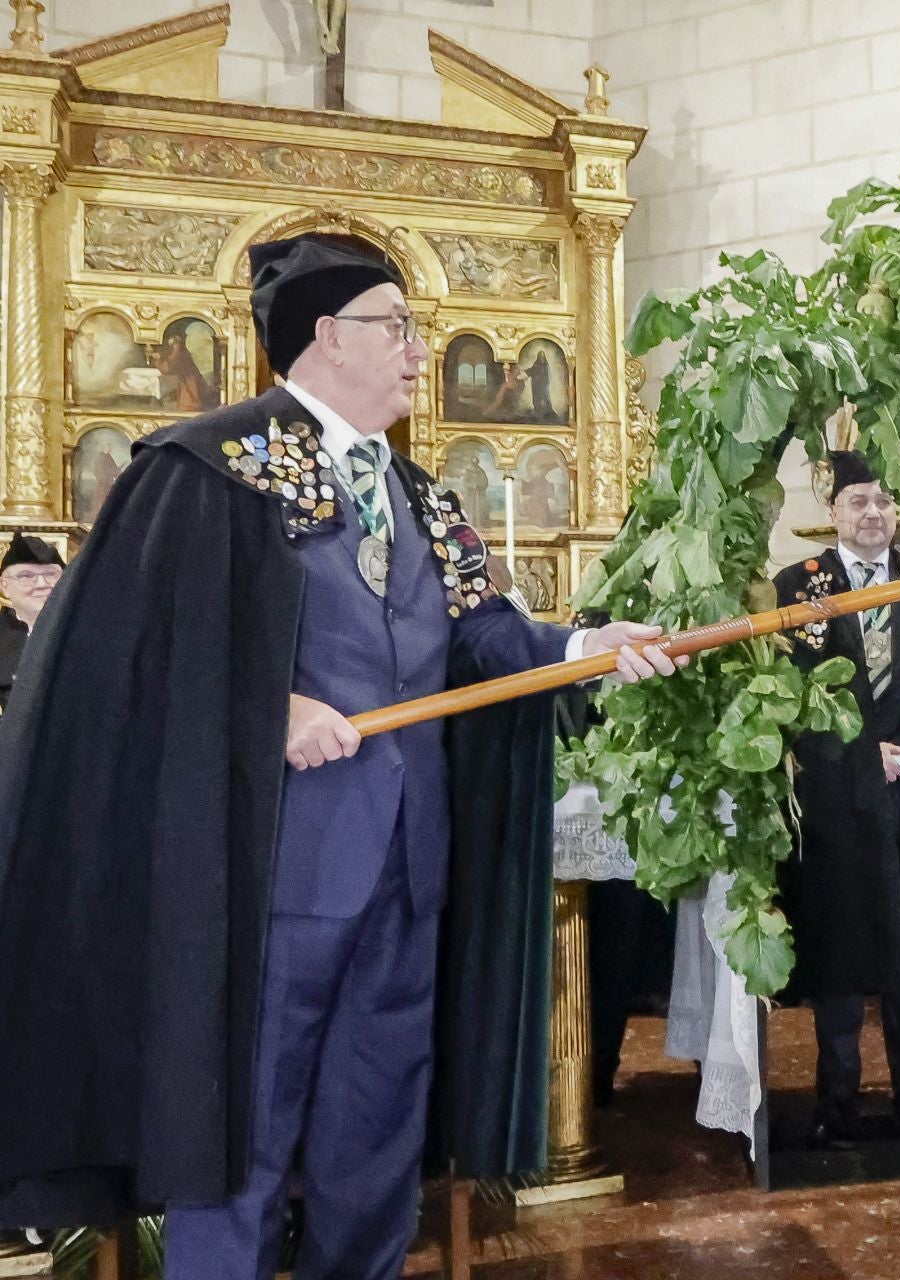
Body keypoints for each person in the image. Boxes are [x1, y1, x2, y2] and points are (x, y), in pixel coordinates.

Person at [0, 235, 683, 1280]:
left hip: (406, 867)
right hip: (267, 877)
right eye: (398, 326)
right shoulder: (211, 468)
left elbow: (488, 635)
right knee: (242, 1128)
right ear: (324, 335)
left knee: (377, 1130)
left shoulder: (420, 494)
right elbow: (128, 653)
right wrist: (265, 708)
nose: (421, 351)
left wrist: (588, 645)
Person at [772, 450, 900, 1146]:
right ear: (831, 513)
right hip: (838, 804)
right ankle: (837, 1100)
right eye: (858, 502)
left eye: (883, 502)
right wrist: (864, 757)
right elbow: (798, 700)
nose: (873, 514)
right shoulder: (798, 588)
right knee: (840, 953)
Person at [0, 536, 61, 714]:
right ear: (4, 586)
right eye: (26, 576)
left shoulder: (88, 633)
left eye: (50, 574)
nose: (42, 584)